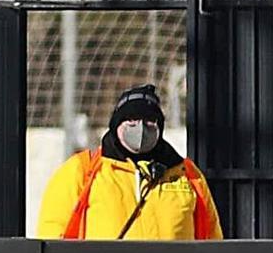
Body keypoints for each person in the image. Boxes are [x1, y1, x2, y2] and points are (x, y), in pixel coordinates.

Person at [36, 84, 223, 240]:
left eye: (150, 121)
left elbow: (211, 237)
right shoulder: (82, 171)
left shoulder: (187, 174)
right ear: (117, 124)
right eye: (131, 119)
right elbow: (53, 235)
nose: (140, 128)